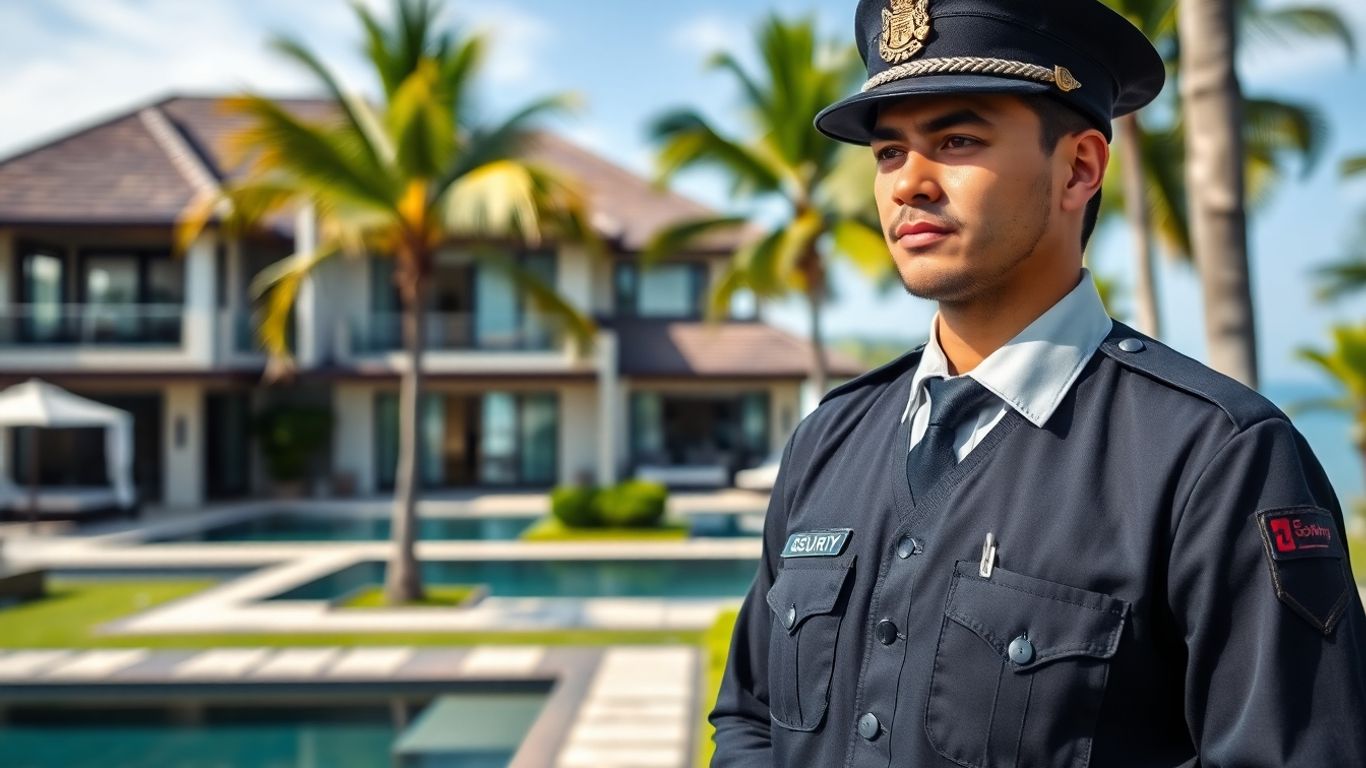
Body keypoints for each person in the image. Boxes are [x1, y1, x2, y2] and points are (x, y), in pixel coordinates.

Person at [708, 0, 1366, 765]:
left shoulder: (1217, 459)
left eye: (957, 140)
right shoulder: (829, 438)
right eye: (889, 152)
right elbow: (749, 718)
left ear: (1079, 168)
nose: (908, 183)